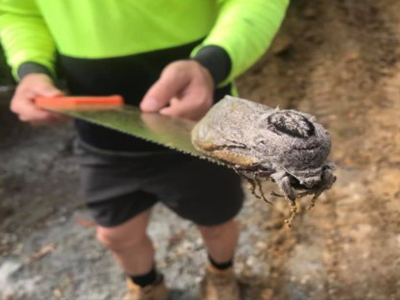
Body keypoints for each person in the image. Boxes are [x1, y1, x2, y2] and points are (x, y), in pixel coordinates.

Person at [0, 1, 288, 299]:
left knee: (217, 222)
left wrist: (211, 63)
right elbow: (19, 11)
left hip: (200, 130)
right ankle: (146, 285)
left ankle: (221, 273)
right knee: (117, 235)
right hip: (102, 138)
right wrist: (32, 68)